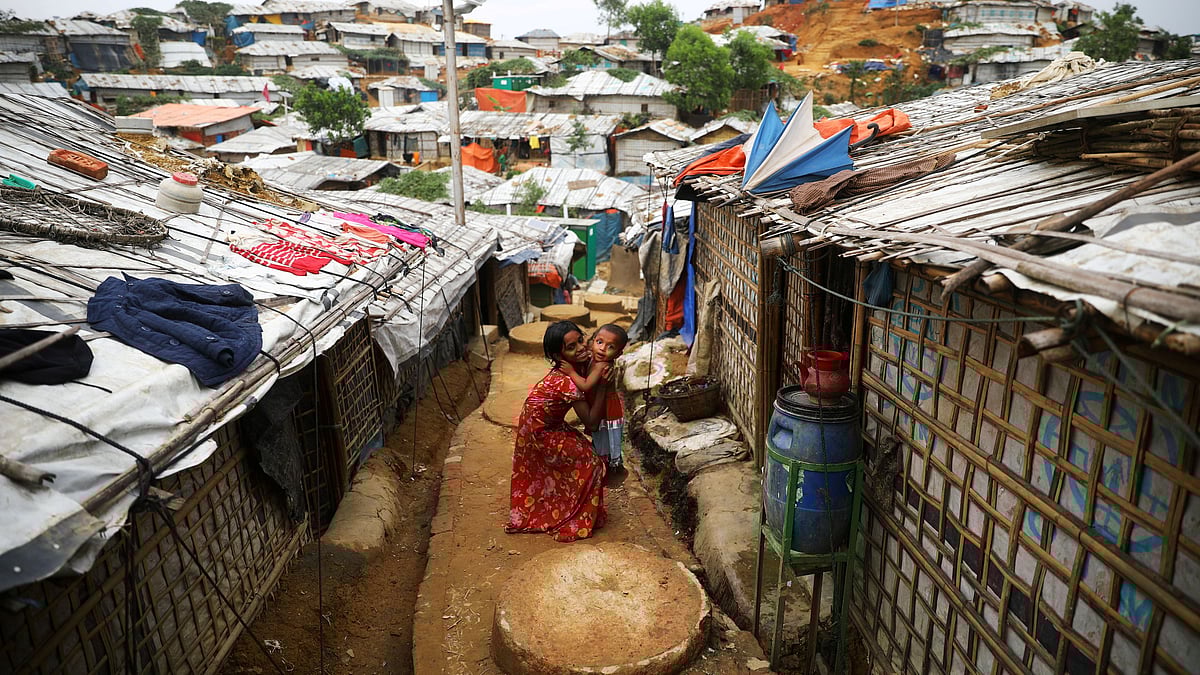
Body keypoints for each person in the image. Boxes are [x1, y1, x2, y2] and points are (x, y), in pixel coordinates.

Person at [505, 321, 613, 542]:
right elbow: (591, 422)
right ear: (559, 356)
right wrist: (603, 386)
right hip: (540, 430)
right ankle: (573, 516)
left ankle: (562, 504)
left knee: (580, 451)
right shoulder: (568, 381)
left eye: (582, 340)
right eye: (572, 347)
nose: (582, 347)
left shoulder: (576, 371)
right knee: (590, 462)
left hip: (547, 423)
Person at [586, 324, 629, 470]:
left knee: (605, 438)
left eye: (610, 347)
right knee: (601, 437)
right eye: (599, 342)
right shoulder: (593, 359)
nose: (602, 349)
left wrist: (570, 373)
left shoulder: (603, 366)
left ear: (618, 354)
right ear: (593, 341)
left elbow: (586, 385)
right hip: (600, 404)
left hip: (607, 410)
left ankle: (610, 466)